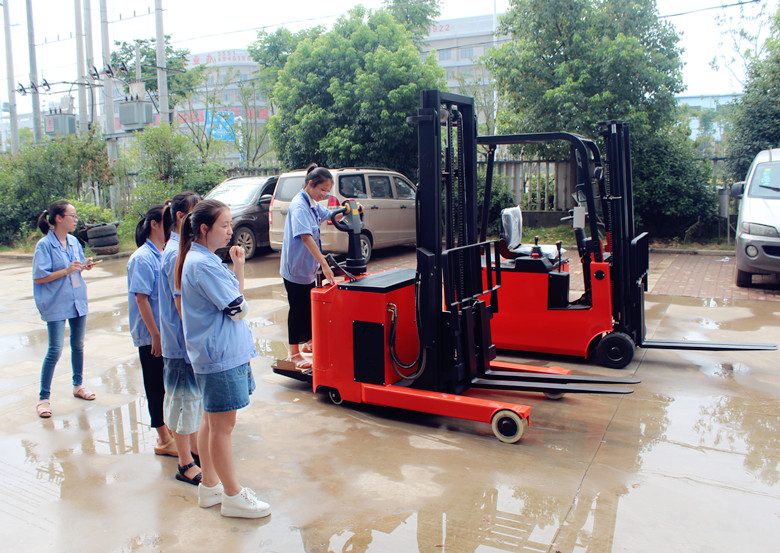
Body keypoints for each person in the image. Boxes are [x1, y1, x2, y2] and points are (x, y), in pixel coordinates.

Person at [175, 199, 271, 519]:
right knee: (223, 427)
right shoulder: (202, 264)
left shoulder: (206, 260)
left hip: (218, 353)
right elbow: (237, 309)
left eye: (230, 224)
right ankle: (233, 495)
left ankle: (211, 486)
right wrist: (240, 300)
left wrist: (239, 267)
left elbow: (234, 301)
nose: (231, 231)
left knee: (211, 420)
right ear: (205, 229)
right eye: (225, 225)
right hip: (220, 356)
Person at [32, 200, 97, 418]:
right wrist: (66, 270)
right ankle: (44, 397)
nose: (75, 219)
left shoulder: (73, 241)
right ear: (59, 218)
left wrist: (84, 265)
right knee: (55, 349)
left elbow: (76, 267)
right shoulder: (44, 245)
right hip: (56, 303)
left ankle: (78, 385)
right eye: (72, 216)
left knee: (78, 344)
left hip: (77, 299)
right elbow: (39, 277)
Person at [159, 192, 203, 486]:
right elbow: (180, 305)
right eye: (196, 213)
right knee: (185, 403)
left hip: (183, 343)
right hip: (181, 343)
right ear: (181, 217)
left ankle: (194, 453)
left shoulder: (180, 249)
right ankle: (185, 463)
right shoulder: (176, 253)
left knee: (191, 402)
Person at [127, 204, 177, 457]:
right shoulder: (142, 258)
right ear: (154, 224)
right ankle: (163, 437)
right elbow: (141, 299)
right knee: (155, 385)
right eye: (166, 222)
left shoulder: (161, 253)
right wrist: (155, 335)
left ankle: (168, 431)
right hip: (150, 335)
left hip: (162, 333)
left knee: (167, 384)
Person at [279, 163, 336, 369]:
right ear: (310, 184)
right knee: (298, 308)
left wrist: (348, 209)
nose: (324, 194)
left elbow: (328, 214)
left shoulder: (311, 202)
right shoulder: (300, 205)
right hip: (295, 268)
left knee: (307, 306)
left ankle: (310, 343)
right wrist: (325, 265)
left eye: (327, 191)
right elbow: (306, 237)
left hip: (307, 267)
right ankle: (293, 353)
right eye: (322, 189)